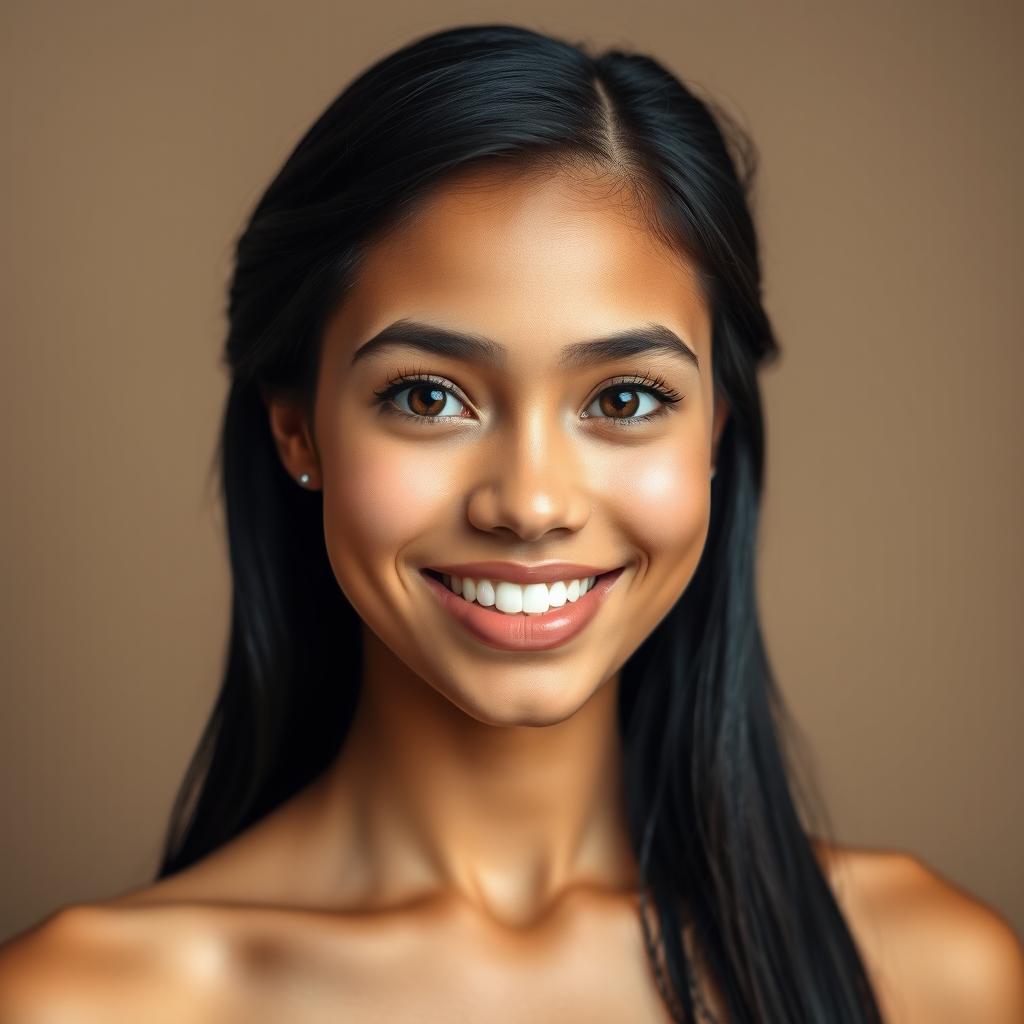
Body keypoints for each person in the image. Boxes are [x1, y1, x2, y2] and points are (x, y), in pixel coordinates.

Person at [1, 22, 1022, 1024]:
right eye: (429, 396)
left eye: (622, 399)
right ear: (297, 430)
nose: (531, 505)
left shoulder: (929, 977)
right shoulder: (85, 1002)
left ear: (713, 429)